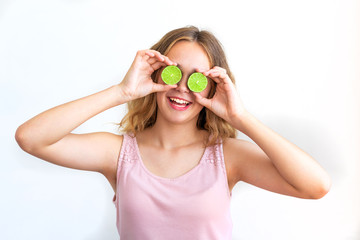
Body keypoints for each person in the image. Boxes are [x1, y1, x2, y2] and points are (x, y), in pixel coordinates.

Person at [15, 26, 331, 239]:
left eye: (196, 79)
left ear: (213, 87)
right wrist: (123, 92)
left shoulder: (227, 156)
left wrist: (240, 116)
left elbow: (316, 186)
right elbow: (30, 138)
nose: (181, 87)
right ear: (155, 73)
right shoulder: (119, 154)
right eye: (173, 72)